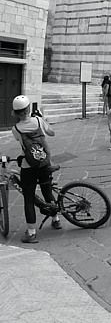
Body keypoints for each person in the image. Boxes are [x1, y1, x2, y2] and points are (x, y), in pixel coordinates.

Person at [10, 95, 62, 243]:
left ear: (16, 112)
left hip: (28, 166)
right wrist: (42, 118)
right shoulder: (38, 120)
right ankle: (56, 219)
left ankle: (31, 233)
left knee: (28, 198)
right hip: (44, 163)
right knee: (47, 191)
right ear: (28, 109)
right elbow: (52, 133)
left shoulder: (16, 129)